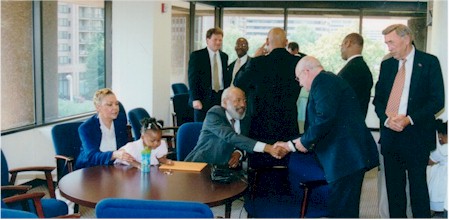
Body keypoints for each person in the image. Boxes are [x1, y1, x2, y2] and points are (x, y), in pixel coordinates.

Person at [278, 56, 379, 218]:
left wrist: (304, 141)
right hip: (347, 158)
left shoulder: (322, 81)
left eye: (299, 78)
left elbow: (324, 117)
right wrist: (292, 144)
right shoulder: (329, 80)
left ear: (306, 71)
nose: (300, 84)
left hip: (346, 158)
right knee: (343, 209)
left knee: (342, 211)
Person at [373, 24, 445, 218]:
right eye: (387, 43)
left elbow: (437, 100)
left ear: (406, 39)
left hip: (417, 136)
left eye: (391, 42)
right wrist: (387, 120)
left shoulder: (429, 62)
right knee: (394, 191)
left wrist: (409, 119)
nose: (388, 47)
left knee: (418, 190)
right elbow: (378, 100)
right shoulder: (387, 65)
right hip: (390, 135)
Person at [234, 27, 301, 168]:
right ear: (286, 42)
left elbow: (238, 82)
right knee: (286, 170)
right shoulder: (296, 63)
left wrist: (253, 58)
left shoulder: (257, 63)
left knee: (259, 173)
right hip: (288, 124)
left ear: (266, 42)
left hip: (260, 126)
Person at [184, 87, 288, 167]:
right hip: (201, 166)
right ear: (225, 102)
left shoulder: (244, 118)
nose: (243, 104)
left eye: (244, 100)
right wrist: (268, 148)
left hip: (225, 170)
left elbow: (244, 140)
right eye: (238, 100)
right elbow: (231, 136)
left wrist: (239, 152)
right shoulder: (215, 113)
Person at [76, 88, 134, 169]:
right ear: (98, 107)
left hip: (114, 167)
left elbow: (124, 146)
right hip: (90, 169)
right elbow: (92, 157)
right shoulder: (86, 128)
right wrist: (114, 154)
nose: (115, 108)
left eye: (116, 104)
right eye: (110, 105)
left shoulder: (120, 120)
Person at [188, 27, 230, 122]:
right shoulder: (197, 56)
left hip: (220, 97)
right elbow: (192, 79)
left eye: (220, 40)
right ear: (207, 40)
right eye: (215, 39)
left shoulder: (224, 57)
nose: (218, 42)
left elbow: (226, 78)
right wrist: (195, 99)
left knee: (219, 125)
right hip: (203, 98)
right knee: (201, 128)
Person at [338, 33, 373, 118]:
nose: (341, 49)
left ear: (348, 43)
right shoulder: (362, 67)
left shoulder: (352, 69)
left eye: (341, 45)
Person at [427, 119, 447, 217]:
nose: (440, 140)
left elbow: (430, 161)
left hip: (442, 182)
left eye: (440, 138)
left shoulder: (443, 149)